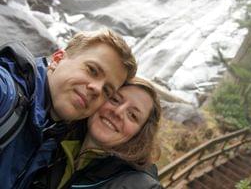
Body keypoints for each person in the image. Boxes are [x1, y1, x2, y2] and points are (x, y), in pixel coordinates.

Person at [0, 28, 137, 189]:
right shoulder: (7, 93)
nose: (97, 89)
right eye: (92, 70)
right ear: (57, 59)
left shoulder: (57, 139)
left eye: (107, 91)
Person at [31, 77, 162, 189]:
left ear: (140, 134)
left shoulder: (142, 186)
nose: (117, 113)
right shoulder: (52, 140)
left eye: (132, 115)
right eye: (115, 100)